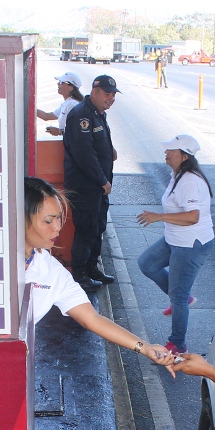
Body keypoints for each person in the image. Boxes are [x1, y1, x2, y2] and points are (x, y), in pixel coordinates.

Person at [23, 177, 175, 373]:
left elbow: (92, 318)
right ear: (21, 218)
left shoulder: (51, 271)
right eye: (48, 220)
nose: (57, 227)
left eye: (59, 218)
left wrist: (144, 347)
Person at [136, 134, 214, 356]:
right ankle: (183, 297)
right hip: (175, 239)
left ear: (185, 155)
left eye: (172, 150)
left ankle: (178, 343)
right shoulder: (178, 174)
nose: (166, 152)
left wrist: (158, 217)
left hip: (190, 244)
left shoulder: (189, 180)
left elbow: (192, 217)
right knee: (147, 263)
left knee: (177, 296)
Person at [63, 74, 120, 292]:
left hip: (98, 187)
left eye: (114, 94)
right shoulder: (81, 115)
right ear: (95, 92)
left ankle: (91, 268)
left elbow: (99, 142)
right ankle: (79, 275)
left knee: (98, 228)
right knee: (86, 229)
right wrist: (102, 180)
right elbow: (84, 154)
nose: (111, 98)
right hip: (85, 185)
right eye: (107, 94)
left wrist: (110, 150)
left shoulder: (98, 113)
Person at [36, 72, 83, 137]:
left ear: (71, 87)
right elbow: (46, 116)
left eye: (61, 82)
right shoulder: (67, 104)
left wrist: (59, 132)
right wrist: (29, 108)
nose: (58, 84)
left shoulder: (72, 105)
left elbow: (79, 131)